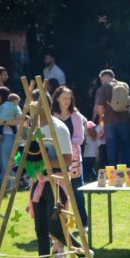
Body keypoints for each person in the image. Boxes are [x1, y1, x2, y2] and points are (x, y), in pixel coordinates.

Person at [24, 95, 92, 258]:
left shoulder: (59, 128)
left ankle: (84, 253)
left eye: (33, 105)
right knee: (40, 227)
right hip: (39, 181)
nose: (29, 109)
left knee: (55, 227)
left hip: (56, 181)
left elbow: (67, 160)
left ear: (44, 105)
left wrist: (43, 161)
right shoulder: (34, 127)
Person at [52, 86, 89, 228]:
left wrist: (65, 143)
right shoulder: (52, 115)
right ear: (57, 99)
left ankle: (83, 223)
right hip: (56, 158)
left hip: (73, 160)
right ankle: (60, 225)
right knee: (58, 193)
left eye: (69, 98)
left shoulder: (76, 116)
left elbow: (80, 138)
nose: (67, 101)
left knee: (77, 192)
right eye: (64, 98)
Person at [95, 69, 130, 167]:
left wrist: (102, 118)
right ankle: (127, 170)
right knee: (125, 147)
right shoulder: (124, 85)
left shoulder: (103, 88)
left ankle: (113, 171)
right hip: (125, 120)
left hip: (109, 122)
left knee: (111, 148)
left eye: (101, 79)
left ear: (104, 77)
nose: (101, 82)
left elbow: (100, 107)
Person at [0, 90, 22, 189]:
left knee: (7, 161)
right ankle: (6, 184)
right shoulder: (3, 107)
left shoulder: (11, 106)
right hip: (0, 136)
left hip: (8, 136)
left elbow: (19, 120)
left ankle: (11, 184)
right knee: (3, 162)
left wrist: (4, 122)